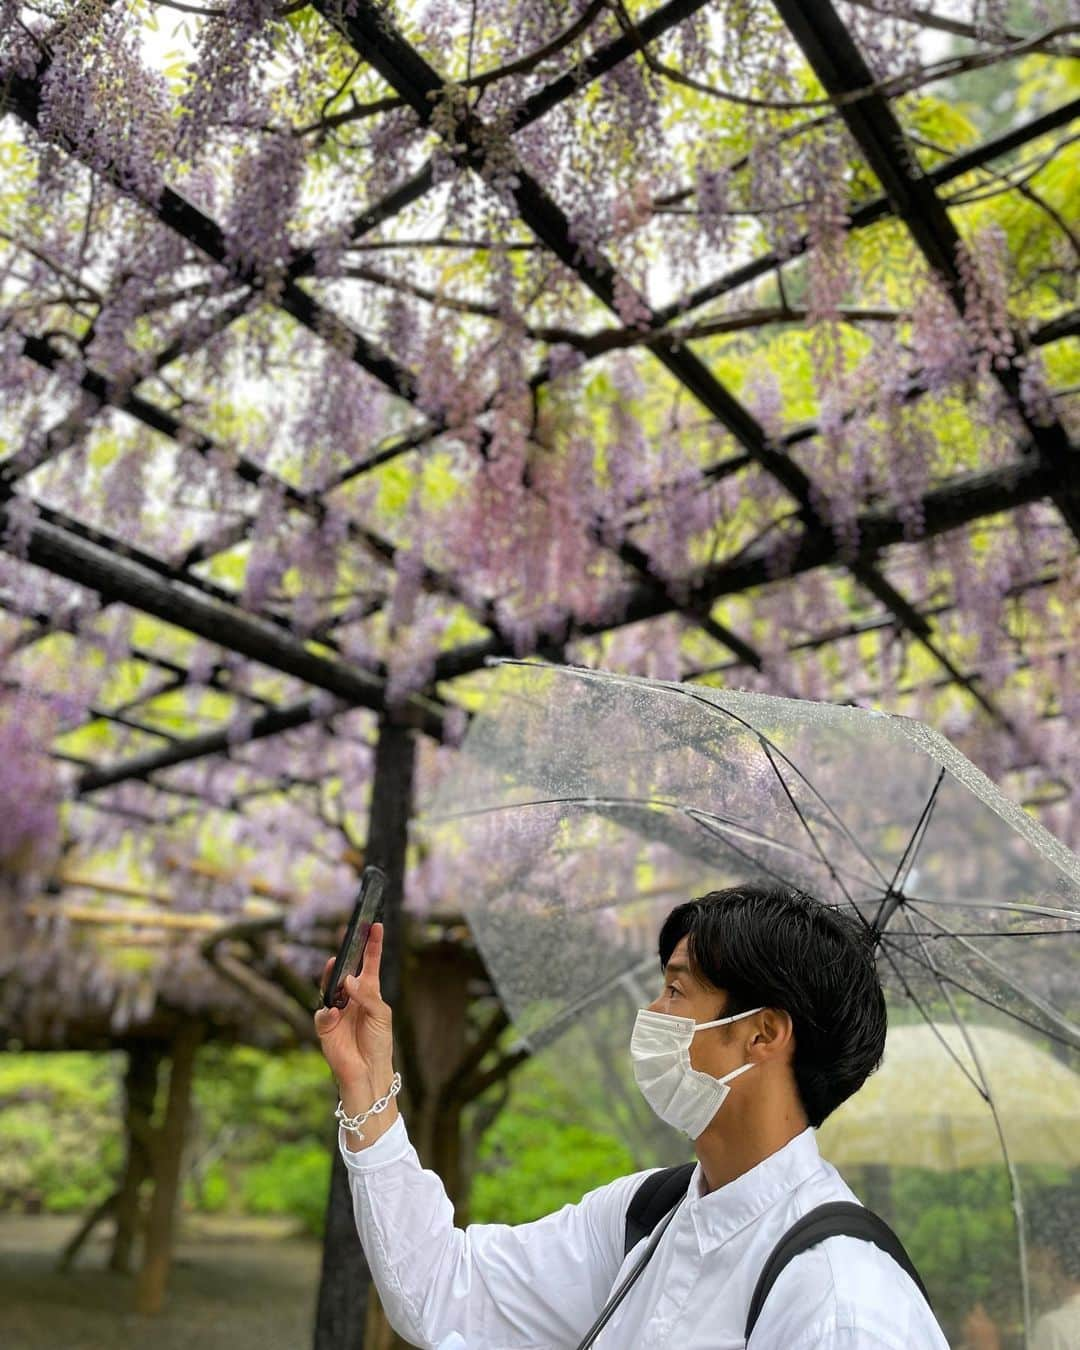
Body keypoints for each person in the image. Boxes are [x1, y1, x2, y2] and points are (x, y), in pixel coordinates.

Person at [315, 882, 948, 1348]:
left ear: (763, 1034)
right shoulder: (646, 1217)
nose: (652, 1013)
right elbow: (444, 1290)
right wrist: (368, 1085)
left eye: (676, 990)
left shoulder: (841, 1304)